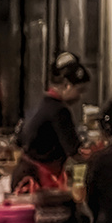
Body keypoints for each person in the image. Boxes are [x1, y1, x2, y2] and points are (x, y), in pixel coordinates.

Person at [15, 52, 89, 186]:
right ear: (66, 85)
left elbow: (19, 140)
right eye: (79, 90)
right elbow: (74, 151)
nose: (80, 97)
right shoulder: (60, 110)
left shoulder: (42, 103)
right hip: (36, 180)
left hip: (24, 173)